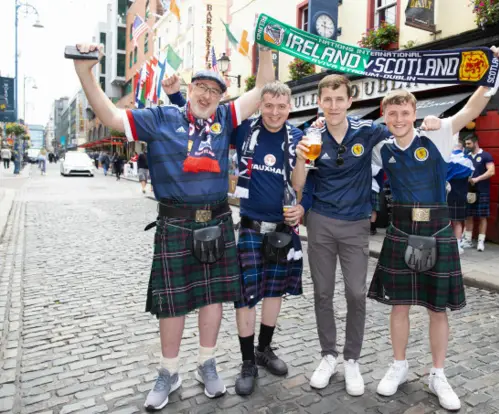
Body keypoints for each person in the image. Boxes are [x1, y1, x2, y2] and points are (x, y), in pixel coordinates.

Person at [70, 42, 275, 411]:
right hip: (176, 224)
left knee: (212, 299)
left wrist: (265, 50)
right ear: (191, 89)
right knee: (173, 304)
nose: (207, 95)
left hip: (216, 220)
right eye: (202, 87)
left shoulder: (226, 118)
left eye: (215, 91)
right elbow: (113, 117)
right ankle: (168, 372)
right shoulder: (161, 117)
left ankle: (207, 364)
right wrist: (84, 72)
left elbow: (262, 91)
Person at [365, 46, 499, 412]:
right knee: (398, 305)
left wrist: (495, 68)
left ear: (415, 113)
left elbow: (472, 109)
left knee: (436, 308)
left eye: (405, 112)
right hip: (400, 228)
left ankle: (437, 374)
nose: (398, 118)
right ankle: (398, 365)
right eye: (392, 113)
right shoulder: (380, 147)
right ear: (385, 115)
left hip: (438, 229)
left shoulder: (440, 133)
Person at [165, 78, 310, 396]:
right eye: (268, 105)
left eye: (281, 107)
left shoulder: (298, 138)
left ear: (290, 108)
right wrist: (176, 96)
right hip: (249, 228)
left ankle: (264, 349)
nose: (274, 112)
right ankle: (247, 362)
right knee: (246, 297)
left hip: (284, 231)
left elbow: (305, 185)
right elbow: (200, 122)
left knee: (274, 293)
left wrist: (302, 205)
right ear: (260, 105)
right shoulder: (244, 130)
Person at [292, 74, 434, 397]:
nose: (333, 105)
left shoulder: (367, 131)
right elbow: (298, 184)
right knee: (323, 293)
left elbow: (402, 132)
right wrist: (300, 158)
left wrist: (430, 126)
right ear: (319, 102)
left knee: (356, 293)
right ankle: (328, 356)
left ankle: (351, 359)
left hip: (356, 224)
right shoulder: (311, 134)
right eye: (327, 99)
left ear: (349, 101)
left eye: (339, 99)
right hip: (321, 223)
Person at [462, 134, 495, 252]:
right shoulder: (466, 156)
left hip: (482, 190)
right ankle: (468, 240)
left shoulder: (486, 155)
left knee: (482, 216)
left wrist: (477, 179)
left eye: (469, 144)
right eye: (466, 144)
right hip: (469, 191)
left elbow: (491, 171)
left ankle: (481, 242)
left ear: (475, 143)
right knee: (468, 215)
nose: (467, 146)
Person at [447, 139, 475, 253]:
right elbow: (470, 177)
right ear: (462, 148)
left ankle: (446, 243)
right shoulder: (467, 161)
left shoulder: (446, 158)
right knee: (458, 221)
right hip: (460, 194)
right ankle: (457, 246)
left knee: (446, 221)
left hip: (446, 193)